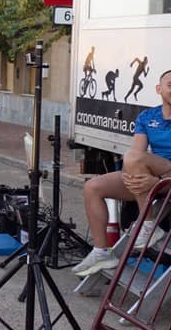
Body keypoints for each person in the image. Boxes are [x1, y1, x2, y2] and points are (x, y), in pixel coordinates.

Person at [73, 69, 171, 277]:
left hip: (165, 177)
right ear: (159, 89)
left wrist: (158, 181)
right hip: (153, 177)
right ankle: (101, 252)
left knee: (133, 158)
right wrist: (130, 173)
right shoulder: (147, 116)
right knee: (92, 187)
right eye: (170, 85)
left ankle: (148, 225)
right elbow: (137, 152)